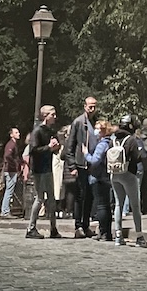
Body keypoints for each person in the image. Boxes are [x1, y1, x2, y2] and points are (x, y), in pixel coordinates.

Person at [109, 114, 147, 247]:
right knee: (135, 205)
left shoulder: (113, 139)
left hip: (114, 174)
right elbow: (138, 157)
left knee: (118, 204)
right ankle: (139, 236)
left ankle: (118, 235)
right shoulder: (131, 140)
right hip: (128, 174)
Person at [64, 95, 100, 239]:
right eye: (90, 106)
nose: (92, 109)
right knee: (80, 196)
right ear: (85, 106)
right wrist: (72, 165)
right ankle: (78, 226)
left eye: (94, 106)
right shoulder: (79, 122)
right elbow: (70, 146)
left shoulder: (94, 122)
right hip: (80, 164)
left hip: (91, 164)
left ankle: (86, 225)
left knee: (90, 196)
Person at [25, 105, 63, 239]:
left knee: (51, 199)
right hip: (39, 169)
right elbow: (34, 150)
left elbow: (53, 149)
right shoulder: (37, 131)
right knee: (40, 198)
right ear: (45, 115)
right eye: (52, 114)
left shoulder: (50, 131)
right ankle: (31, 228)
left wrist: (55, 148)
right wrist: (49, 147)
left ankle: (53, 228)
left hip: (48, 168)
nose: (55, 117)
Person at [86, 119, 116, 242]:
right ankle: (106, 232)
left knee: (101, 206)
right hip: (107, 177)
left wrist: (85, 154)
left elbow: (94, 160)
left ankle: (103, 232)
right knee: (106, 206)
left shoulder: (102, 144)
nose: (96, 131)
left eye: (99, 128)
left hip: (98, 177)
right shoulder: (111, 142)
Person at [0, 127, 21, 218]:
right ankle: (5, 211)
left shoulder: (12, 144)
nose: (18, 134)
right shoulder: (11, 144)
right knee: (9, 190)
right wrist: (14, 164)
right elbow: (7, 156)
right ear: (11, 135)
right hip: (10, 170)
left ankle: (5, 210)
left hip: (10, 169)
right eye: (16, 132)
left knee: (9, 190)